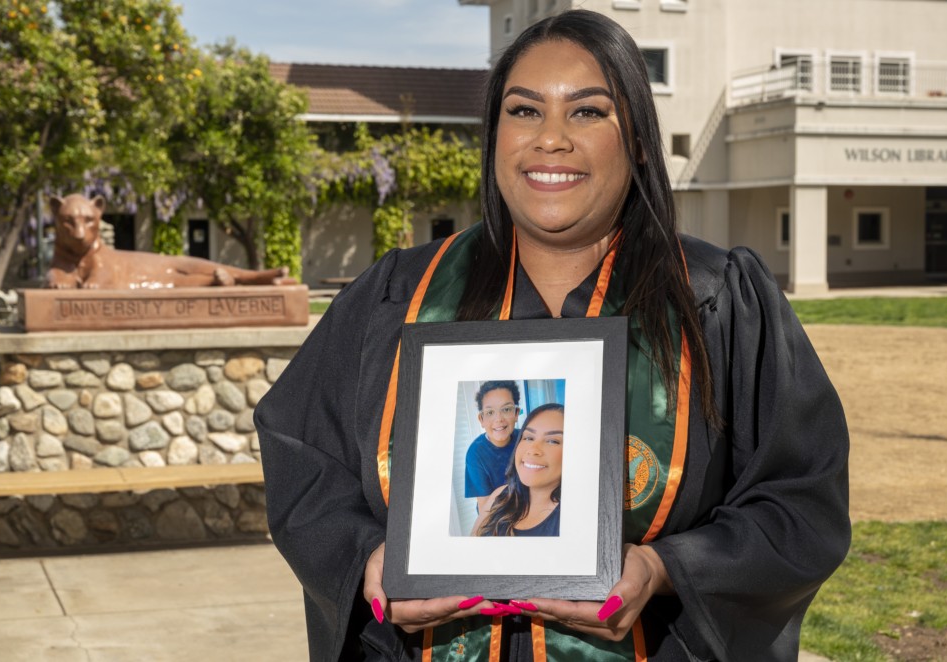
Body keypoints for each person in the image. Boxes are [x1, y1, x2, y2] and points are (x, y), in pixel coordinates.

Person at [256, 9, 850, 661]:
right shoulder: (399, 296)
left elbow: (799, 502)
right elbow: (305, 455)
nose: (551, 140)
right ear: (493, 135)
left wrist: (666, 567)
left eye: (588, 112)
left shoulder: (716, 300)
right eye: (524, 111)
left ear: (640, 141)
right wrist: (366, 558)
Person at [473, 403, 564, 537]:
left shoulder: (572, 521)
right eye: (528, 437)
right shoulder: (500, 496)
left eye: (552, 441)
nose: (533, 449)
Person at [465, 380, 522, 513]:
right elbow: (485, 506)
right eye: (490, 412)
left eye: (506, 409)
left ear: (516, 413)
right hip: (495, 514)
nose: (499, 419)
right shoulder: (475, 453)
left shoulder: (524, 439)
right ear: (481, 419)